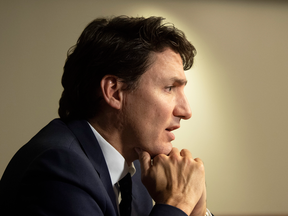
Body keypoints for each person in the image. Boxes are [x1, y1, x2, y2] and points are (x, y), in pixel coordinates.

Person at [0, 16, 213, 216]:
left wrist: (197, 208)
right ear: (114, 92)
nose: (186, 111)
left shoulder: (138, 170)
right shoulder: (59, 168)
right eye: (169, 88)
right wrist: (177, 203)